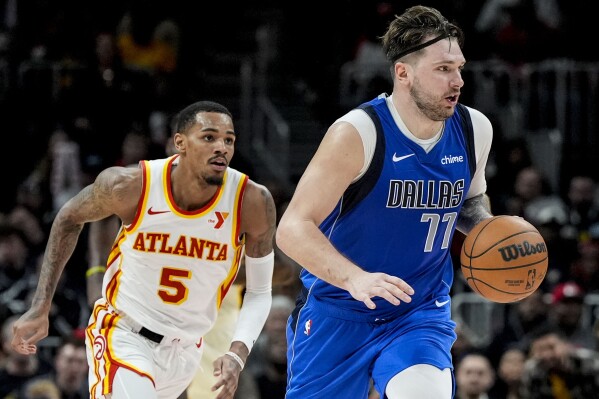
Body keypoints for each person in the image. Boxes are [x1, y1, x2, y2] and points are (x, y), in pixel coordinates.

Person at [276, 5, 494, 399]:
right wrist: (354, 278)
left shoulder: (474, 128)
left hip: (418, 310)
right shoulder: (357, 133)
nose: (458, 80)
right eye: (444, 69)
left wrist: (492, 235)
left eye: (459, 67)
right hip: (337, 311)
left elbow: (471, 202)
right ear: (403, 72)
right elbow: (292, 229)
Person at [11, 100, 277, 399]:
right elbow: (69, 217)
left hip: (186, 352)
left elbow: (259, 291)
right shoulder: (132, 184)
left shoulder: (251, 201)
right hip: (124, 336)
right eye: (209, 137)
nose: (222, 147)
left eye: (229, 139)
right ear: (180, 143)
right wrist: (41, 304)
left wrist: (238, 354)